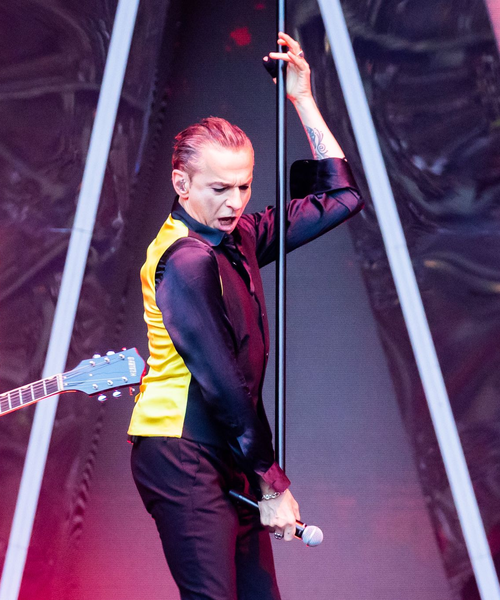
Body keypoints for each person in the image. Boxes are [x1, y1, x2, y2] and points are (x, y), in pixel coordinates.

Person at [128, 33, 363, 599]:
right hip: (182, 451)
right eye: (219, 188)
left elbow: (341, 198)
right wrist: (273, 482)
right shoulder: (184, 260)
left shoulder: (238, 237)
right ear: (181, 183)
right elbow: (224, 384)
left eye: (244, 186)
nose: (235, 202)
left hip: (229, 450)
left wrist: (302, 99)